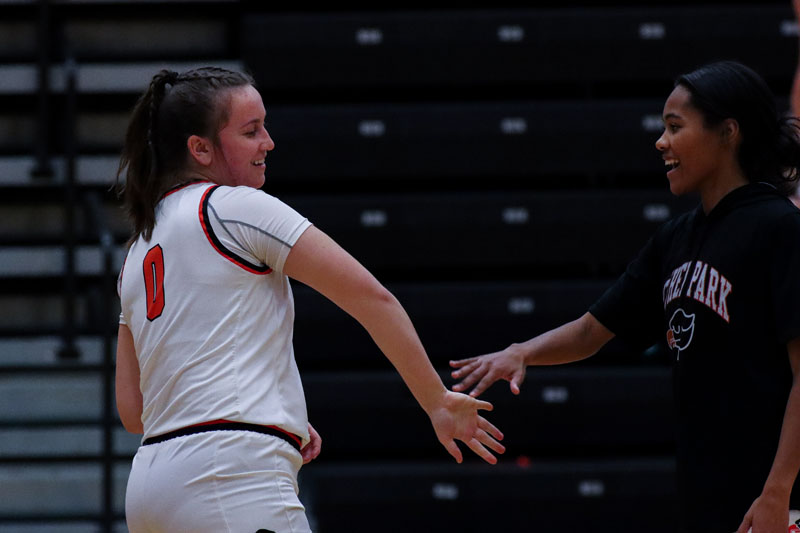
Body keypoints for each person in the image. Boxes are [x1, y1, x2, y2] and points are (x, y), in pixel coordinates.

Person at [114, 66, 505, 533]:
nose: (269, 142)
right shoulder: (235, 207)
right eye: (251, 131)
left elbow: (134, 411)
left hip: (150, 486)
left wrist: (270, 413)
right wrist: (436, 400)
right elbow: (371, 297)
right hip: (230, 474)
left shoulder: (138, 250)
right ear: (200, 148)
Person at [449, 60, 800, 533]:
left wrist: (779, 491)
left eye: (675, 127)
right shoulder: (676, 238)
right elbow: (594, 329)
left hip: (779, 501)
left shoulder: (779, 228)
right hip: (711, 496)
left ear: (728, 132)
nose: (661, 142)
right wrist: (521, 352)